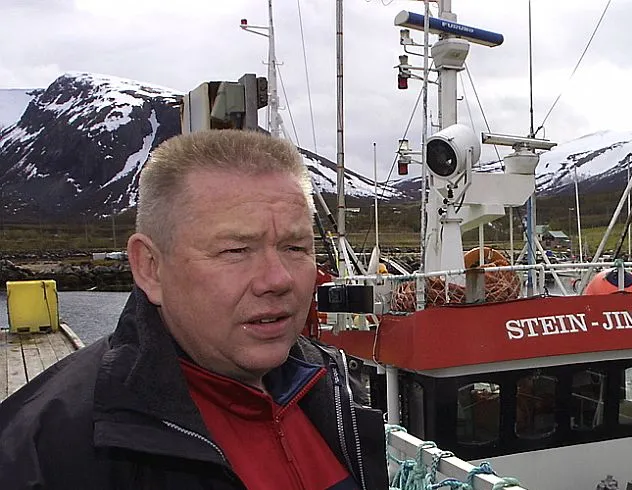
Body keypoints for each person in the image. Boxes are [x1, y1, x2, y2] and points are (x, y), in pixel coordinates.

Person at [0, 130, 388, 490]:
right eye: (235, 250)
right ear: (150, 267)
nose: (278, 279)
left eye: (295, 248)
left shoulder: (332, 388)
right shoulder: (44, 455)